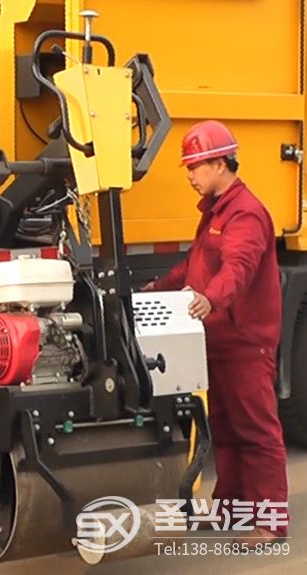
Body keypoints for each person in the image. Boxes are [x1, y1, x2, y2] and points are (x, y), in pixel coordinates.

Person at [144, 120, 288, 541]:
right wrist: (157, 289)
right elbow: (194, 267)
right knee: (225, 430)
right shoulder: (215, 212)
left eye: (196, 166)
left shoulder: (245, 213)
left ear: (222, 164)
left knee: (257, 431)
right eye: (188, 167)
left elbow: (237, 268)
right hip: (218, 340)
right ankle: (231, 512)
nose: (190, 175)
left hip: (245, 343)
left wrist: (210, 299)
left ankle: (270, 523)